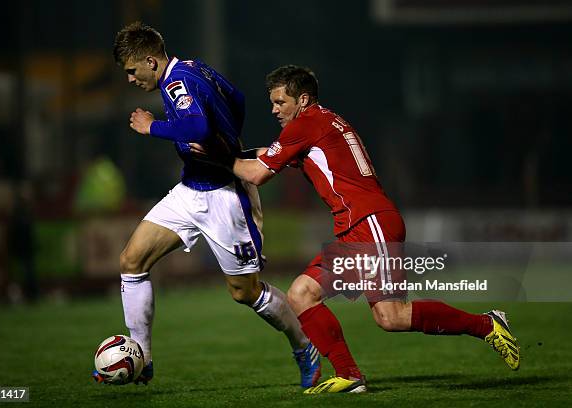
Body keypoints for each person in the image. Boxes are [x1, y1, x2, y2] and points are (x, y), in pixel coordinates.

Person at [192, 65, 520, 394]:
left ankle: (487, 324)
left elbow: (257, 174)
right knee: (301, 294)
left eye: (280, 102)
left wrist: (217, 157)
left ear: (302, 100)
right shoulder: (321, 121)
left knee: (391, 316)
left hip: (369, 222)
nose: (274, 109)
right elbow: (267, 157)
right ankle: (350, 376)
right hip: (360, 225)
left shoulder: (305, 125)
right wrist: (227, 154)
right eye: (273, 102)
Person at [92, 23, 321, 387]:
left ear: (151, 61)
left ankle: (304, 345)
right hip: (190, 189)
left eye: (133, 71)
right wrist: (228, 137)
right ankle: (144, 358)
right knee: (131, 260)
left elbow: (197, 129)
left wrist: (153, 126)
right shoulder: (197, 68)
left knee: (245, 292)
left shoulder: (176, 83)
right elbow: (238, 98)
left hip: (225, 198)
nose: (131, 79)